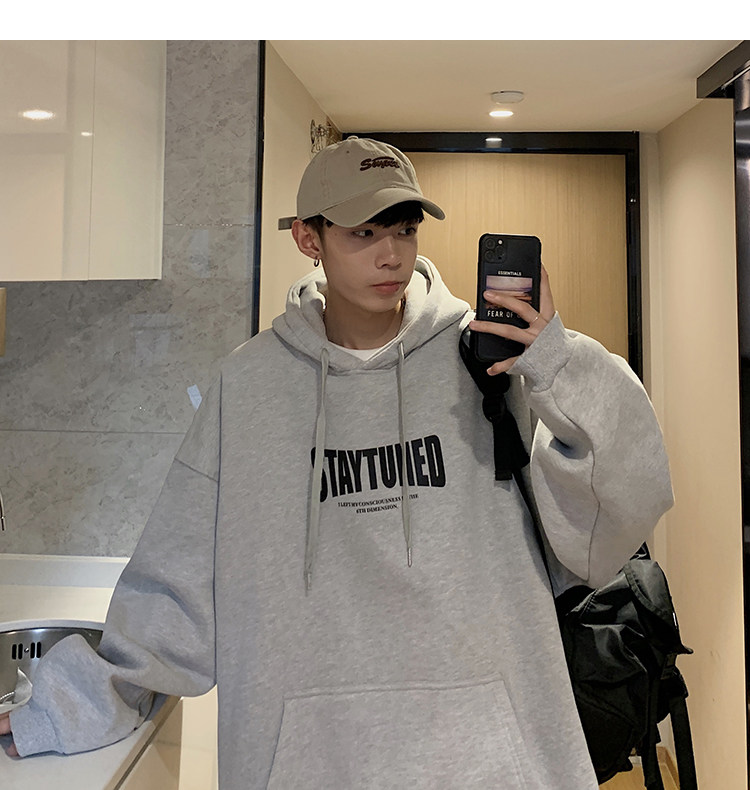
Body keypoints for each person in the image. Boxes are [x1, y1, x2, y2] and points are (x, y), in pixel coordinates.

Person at [0, 137, 673, 788]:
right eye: (363, 233)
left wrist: (558, 361)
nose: (391, 254)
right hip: (313, 761)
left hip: (490, 760)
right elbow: (175, 586)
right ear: (308, 238)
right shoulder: (248, 388)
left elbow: (619, 506)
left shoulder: (489, 363)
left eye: (404, 230)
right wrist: (57, 708)